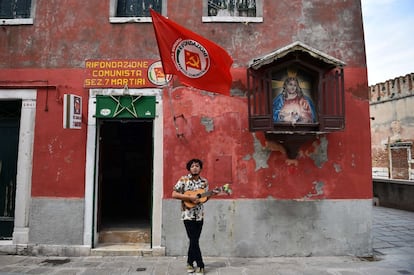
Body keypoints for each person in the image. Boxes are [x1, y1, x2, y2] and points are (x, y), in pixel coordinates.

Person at [172, 159, 217, 275]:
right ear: (189, 168)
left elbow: (204, 199)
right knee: (193, 239)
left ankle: (189, 262)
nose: (195, 168)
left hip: (199, 215)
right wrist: (189, 198)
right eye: (192, 166)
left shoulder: (204, 182)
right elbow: (174, 194)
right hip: (187, 215)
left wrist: (212, 194)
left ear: (200, 168)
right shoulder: (183, 180)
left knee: (194, 240)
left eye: (197, 166)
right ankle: (201, 265)